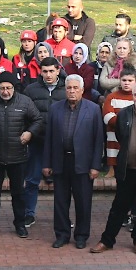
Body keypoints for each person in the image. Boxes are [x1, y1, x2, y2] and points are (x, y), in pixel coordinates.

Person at [90, 83, 136, 254]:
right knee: (118, 207)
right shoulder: (123, 115)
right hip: (127, 169)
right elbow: (120, 136)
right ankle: (107, 240)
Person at [41, 74, 105, 249]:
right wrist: (47, 163)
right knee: (60, 202)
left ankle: (81, 236)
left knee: (83, 202)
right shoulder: (55, 108)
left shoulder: (93, 109)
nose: (72, 91)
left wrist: (95, 166)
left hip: (83, 163)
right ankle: (62, 235)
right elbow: (49, 138)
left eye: (75, 88)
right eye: (69, 88)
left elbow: (98, 140)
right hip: (60, 161)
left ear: (82, 90)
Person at [0, 72, 39, 238]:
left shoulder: (25, 102)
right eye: (2, 88)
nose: (5, 92)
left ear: (14, 88)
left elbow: (38, 120)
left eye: (9, 88)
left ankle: (20, 224)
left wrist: (30, 133)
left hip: (18, 156)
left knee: (18, 194)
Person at [21, 59, 67, 230]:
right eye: (45, 71)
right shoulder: (31, 90)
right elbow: (24, 114)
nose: (48, 75)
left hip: (60, 144)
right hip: (37, 141)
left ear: (58, 71)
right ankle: (29, 213)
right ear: (40, 71)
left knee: (62, 182)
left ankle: (63, 216)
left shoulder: (66, 89)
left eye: (51, 71)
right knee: (32, 180)